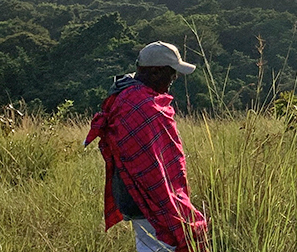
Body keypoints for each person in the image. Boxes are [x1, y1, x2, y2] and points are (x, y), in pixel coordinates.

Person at [85, 42, 208, 252]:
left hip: (134, 193)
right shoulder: (143, 106)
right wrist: (167, 201)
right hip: (146, 196)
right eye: (171, 72)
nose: (174, 78)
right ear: (155, 71)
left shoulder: (129, 95)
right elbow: (148, 167)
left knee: (150, 243)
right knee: (161, 244)